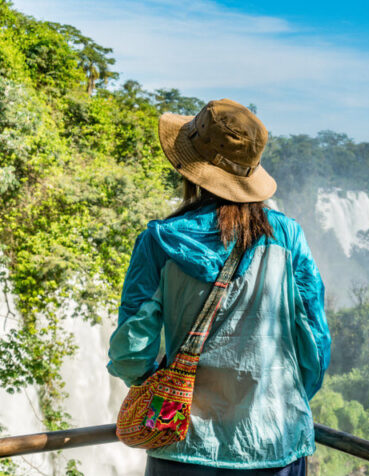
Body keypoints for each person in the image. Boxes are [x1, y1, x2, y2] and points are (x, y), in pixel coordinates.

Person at [107, 99, 331, 475]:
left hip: (182, 446)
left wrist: (159, 385)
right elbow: (313, 343)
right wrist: (275, 402)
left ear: (190, 169)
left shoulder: (161, 241)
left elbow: (131, 351)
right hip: (275, 445)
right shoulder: (287, 236)